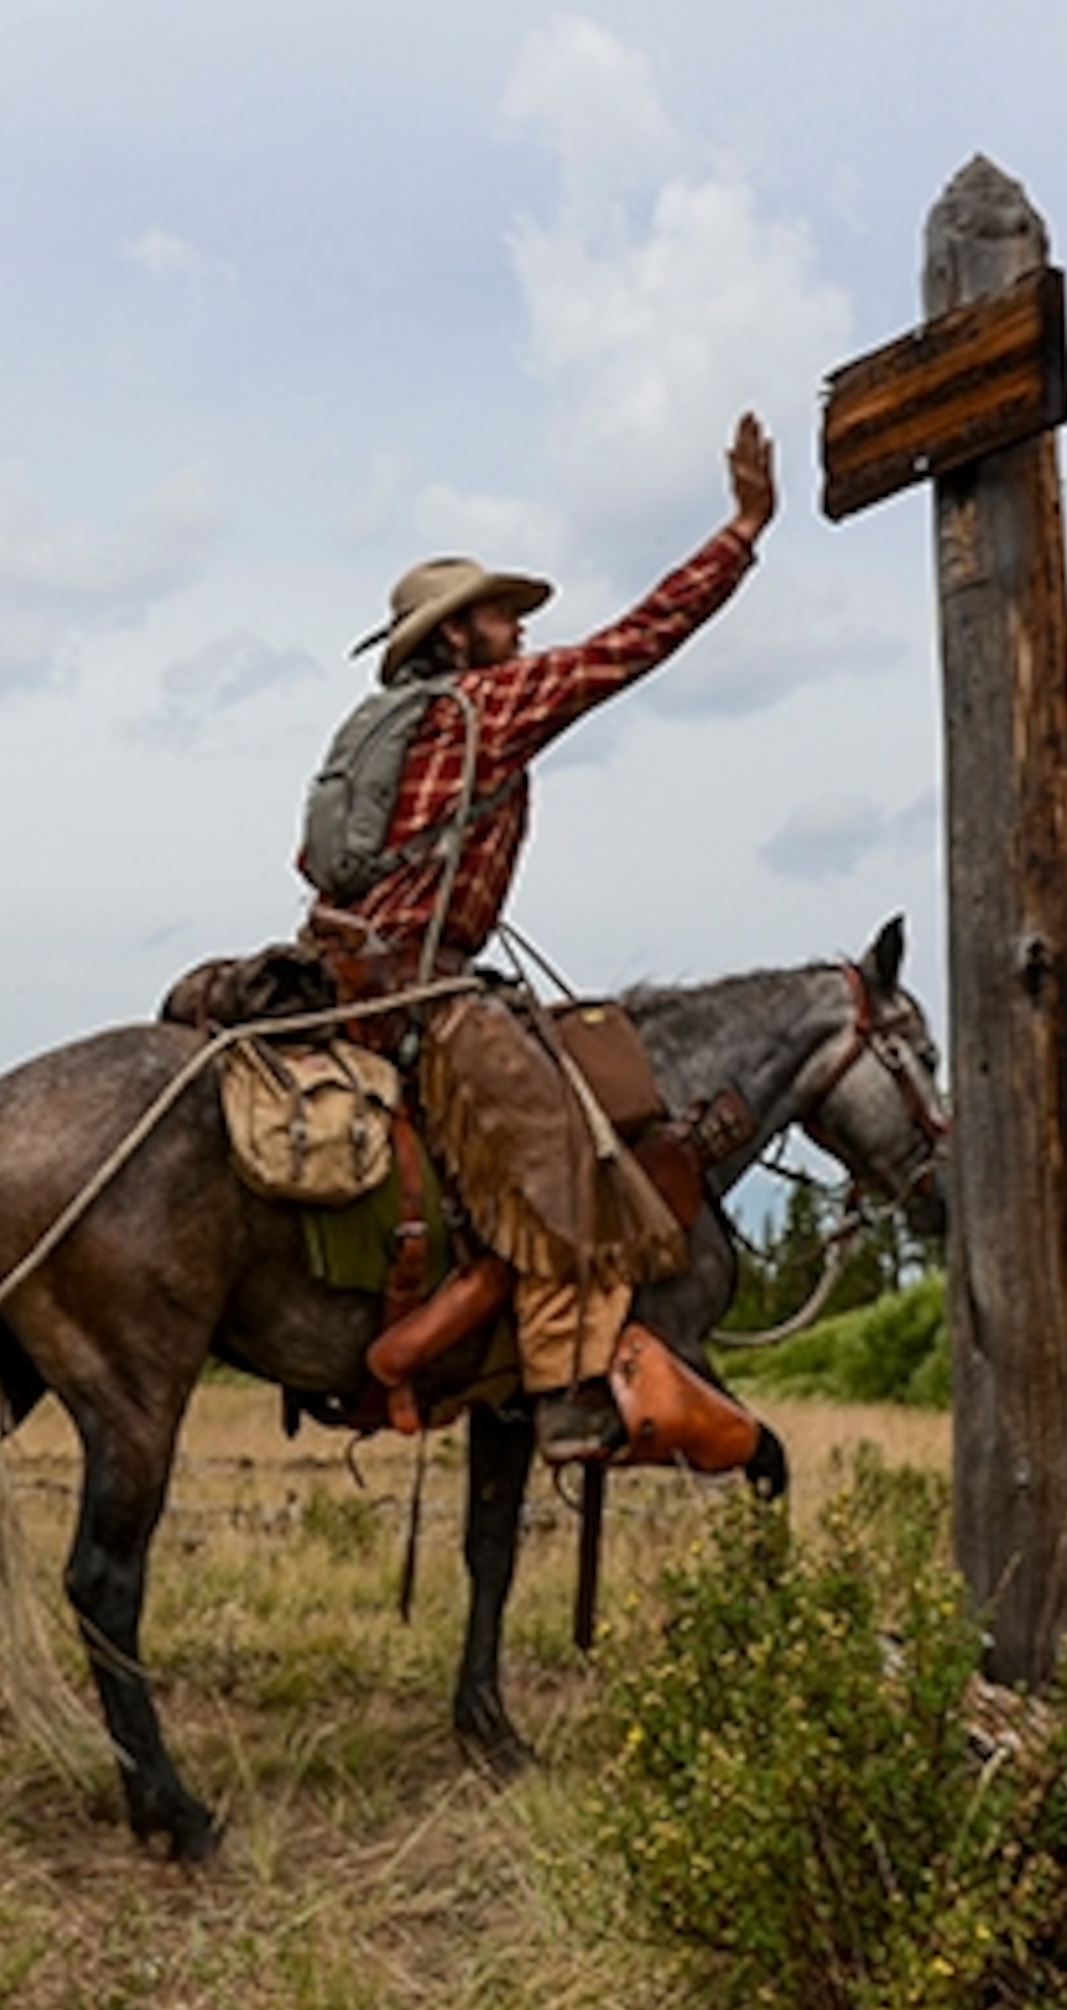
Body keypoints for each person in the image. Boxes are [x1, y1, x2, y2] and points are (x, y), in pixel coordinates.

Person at [304, 413, 778, 1450]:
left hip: (337, 972)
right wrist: (740, 532)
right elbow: (631, 645)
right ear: (453, 638)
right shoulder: (485, 705)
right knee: (575, 1170)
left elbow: (322, 868)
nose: (515, 627)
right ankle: (565, 1391)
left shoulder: (379, 732)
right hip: (422, 992)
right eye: (494, 615)